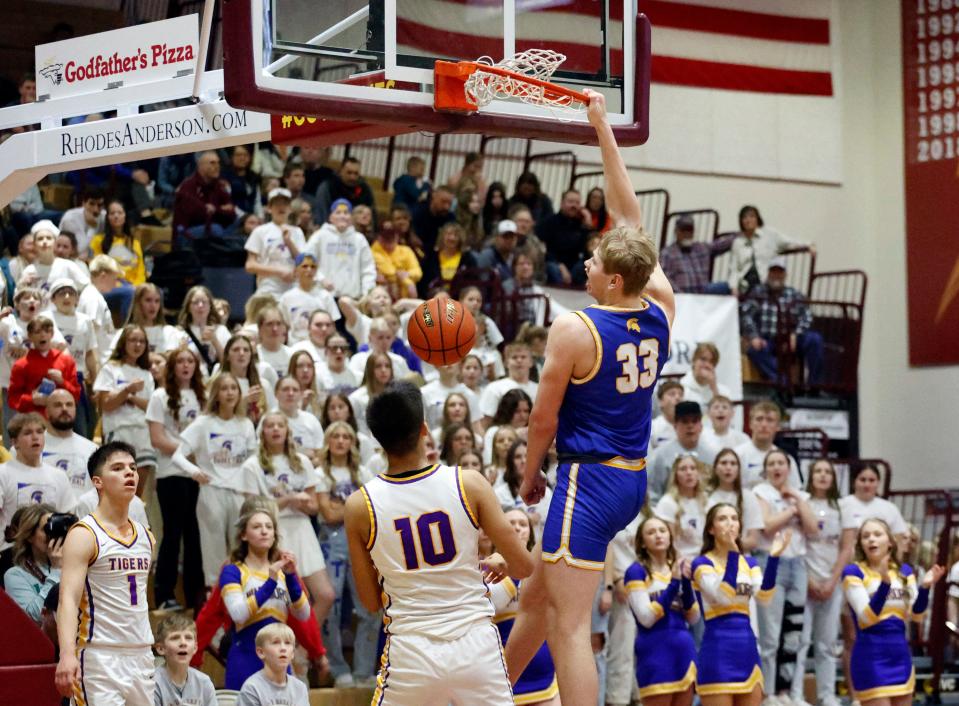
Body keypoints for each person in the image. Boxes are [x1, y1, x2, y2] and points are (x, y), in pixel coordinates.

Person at [505, 91, 675, 705]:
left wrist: (528, 478)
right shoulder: (661, 307)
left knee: (570, 628)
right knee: (539, 598)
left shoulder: (576, 327)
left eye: (595, 258)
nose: (587, 259)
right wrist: (602, 126)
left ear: (612, 279)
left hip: (588, 481)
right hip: (628, 481)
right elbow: (629, 217)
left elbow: (543, 418)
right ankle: (489, 694)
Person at [343, 382, 534, 704]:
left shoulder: (359, 505)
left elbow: (371, 602)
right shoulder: (468, 482)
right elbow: (524, 566)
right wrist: (502, 559)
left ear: (377, 440)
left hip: (411, 651)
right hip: (477, 646)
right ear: (424, 430)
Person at [55, 441, 156, 705]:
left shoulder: (146, 536)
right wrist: (67, 654)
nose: (130, 473)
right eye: (118, 468)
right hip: (100, 654)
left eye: (133, 468)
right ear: (98, 481)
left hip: (142, 652)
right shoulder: (84, 534)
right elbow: (67, 599)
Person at [245, 412, 335, 633]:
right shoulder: (252, 465)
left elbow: (314, 506)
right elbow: (251, 510)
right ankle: (287, 651)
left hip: (303, 529)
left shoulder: (302, 461)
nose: (276, 430)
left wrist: (303, 503)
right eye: (270, 426)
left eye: (280, 425)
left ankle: (303, 653)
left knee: (325, 594)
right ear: (262, 432)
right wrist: (289, 499)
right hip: (275, 531)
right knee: (284, 598)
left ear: (287, 431)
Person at [693, 503, 789, 706]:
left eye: (734, 518)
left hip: (747, 648)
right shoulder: (702, 564)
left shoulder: (750, 563)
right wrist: (733, 556)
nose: (730, 523)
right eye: (722, 519)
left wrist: (773, 559)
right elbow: (723, 596)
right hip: (718, 648)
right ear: (711, 529)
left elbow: (764, 597)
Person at [841, 519, 943, 706]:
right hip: (871, 656)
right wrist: (885, 585)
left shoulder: (904, 571)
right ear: (861, 545)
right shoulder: (853, 572)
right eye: (866, 536)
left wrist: (925, 588)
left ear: (890, 542)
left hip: (900, 656)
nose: (871, 539)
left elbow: (916, 615)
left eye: (877, 534)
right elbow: (866, 618)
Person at [173, 373, 259, 586]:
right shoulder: (203, 423)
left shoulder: (246, 424)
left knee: (241, 553)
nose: (230, 393)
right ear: (216, 394)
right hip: (212, 492)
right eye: (224, 388)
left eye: (234, 388)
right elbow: (177, 455)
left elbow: (253, 460)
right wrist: (194, 471)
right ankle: (216, 599)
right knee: (214, 554)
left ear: (240, 394)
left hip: (239, 494)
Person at [313, 420, 379, 686]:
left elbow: (372, 509)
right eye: (335, 436)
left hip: (361, 541)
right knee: (332, 604)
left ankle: (363, 671)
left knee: (370, 606)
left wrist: (343, 509)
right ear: (328, 441)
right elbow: (328, 514)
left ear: (353, 442)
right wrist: (354, 507)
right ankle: (339, 669)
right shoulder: (319, 473)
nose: (341, 440)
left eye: (346, 436)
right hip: (331, 541)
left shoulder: (362, 471)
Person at [219, 502, 311, 690]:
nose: (264, 531)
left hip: (279, 662)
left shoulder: (283, 571)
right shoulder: (233, 571)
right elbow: (238, 613)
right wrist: (270, 583)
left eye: (269, 527)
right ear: (244, 535)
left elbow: (304, 614)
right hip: (245, 658)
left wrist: (292, 576)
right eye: (257, 527)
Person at [753, 449, 819, 701]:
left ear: (789, 468)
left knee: (793, 633)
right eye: (772, 463)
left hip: (798, 565)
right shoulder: (761, 492)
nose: (777, 467)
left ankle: (785, 690)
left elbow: (812, 529)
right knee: (771, 634)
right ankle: (768, 691)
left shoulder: (800, 495)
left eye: (781, 463)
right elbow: (767, 526)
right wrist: (792, 512)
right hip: (772, 563)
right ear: (766, 469)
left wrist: (798, 503)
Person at [146, 348, 206, 611]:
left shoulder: (203, 397)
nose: (185, 366)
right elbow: (157, 439)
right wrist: (187, 454)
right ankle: (164, 593)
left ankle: (196, 593)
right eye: (180, 361)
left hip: (198, 474)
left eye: (190, 361)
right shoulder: (160, 396)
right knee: (173, 532)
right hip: (171, 472)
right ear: (172, 367)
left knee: (195, 534)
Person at [488, 508, 560, 706]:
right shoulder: (484, 568)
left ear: (530, 532)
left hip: (546, 677)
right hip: (499, 675)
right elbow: (488, 604)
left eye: (522, 524)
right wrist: (516, 570)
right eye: (510, 523)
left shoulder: (545, 570)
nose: (517, 528)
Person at [624, 516, 699, 706]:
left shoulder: (677, 567)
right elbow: (646, 618)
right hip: (655, 650)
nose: (658, 535)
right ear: (642, 543)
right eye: (651, 532)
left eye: (662, 530)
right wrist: (674, 583)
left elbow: (694, 617)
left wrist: (687, 583)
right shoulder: (635, 572)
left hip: (683, 649)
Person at [792, 459, 845, 706]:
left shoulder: (842, 507)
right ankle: (796, 694)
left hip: (832, 582)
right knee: (801, 641)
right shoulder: (802, 503)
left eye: (828, 472)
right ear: (810, 476)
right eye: (818, 471)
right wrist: (809, 579)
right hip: (805, 580)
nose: (823, 476)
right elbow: (797, 543)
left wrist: (833, 580)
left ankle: (827, 694)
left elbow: (847, 547)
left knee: (827, 642)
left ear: (834, 478)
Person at [740, 257, 824, 386]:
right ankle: (784, 382)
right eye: (773, 272)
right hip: (767, 339)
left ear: (785, 275)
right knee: (755, 350)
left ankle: (815, 385)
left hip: (790, 338)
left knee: (815, 339)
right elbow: (746, 315)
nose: (776, 276)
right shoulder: (758, 292)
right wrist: (754, 336)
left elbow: (807, 316)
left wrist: (796, 334)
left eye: (779, 272)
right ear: (768, 274)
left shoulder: (794, 294)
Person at [94, 325, 156, 492]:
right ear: (123, 343)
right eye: (133, 340)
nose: (137, 345)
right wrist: (127, 390)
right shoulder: (110, 369)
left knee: (137, 493)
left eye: (142, 341)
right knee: (118, 489)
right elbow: (106, 405)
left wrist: (129, 397)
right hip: (119, 431)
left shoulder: (146, 374)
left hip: (143, 434)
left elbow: (151, 407)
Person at [0, 413, 76, 541]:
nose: (35, 437)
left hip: (49, 551)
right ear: (14, 442)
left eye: (40, 432)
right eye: (28, 433)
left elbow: (68, 516)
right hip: (10, 550)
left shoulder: (58, 476)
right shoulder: (3, 473)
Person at [728, 205, 814, 296]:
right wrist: (733, 287)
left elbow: (789, 242)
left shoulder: (769, 235)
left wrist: (809, 244)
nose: (748, 220)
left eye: (752, 216)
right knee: (714, 289)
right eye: (744, 217)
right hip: (743, 284)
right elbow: (733, 269)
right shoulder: (738, 242)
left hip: (763, 284)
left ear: (758, 219)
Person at [647, 401, 720, 504]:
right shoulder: (661, 456)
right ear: (675, 426)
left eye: (694, 421)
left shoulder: (712, 456)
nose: (690, 426)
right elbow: (653, 494)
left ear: (701, 426)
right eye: (685, 421)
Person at [8, 314, 81, 415]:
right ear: (30, 336)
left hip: (61, 420)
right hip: (34, 421)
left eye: (47, 331)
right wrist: (31, 400)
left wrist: (62, 382)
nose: (42, 335)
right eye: (37, 332)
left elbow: (76, 395)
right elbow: (13, 399)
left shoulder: (67, 361)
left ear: (52, 334)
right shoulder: (21, 365)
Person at [305, 199, 377, 300]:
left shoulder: (359, 239)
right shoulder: (320, 236)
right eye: (338, 213)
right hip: (324, 297)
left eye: (346, 213)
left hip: (352, 299)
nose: (342, 216)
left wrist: (367, 294)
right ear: (331, 217)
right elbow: (306, 260)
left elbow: (368, 268)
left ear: (351, 218)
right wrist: (320, 279)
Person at [4, 502, 61, 624]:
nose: (53, 535)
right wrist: (56, 570)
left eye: (55, 528)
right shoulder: (15, 575)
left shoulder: (73, 566)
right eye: (47, 529)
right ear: (29, 536)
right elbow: (34, 618)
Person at [245, 187, 306, 298]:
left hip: (293, 289)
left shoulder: (297, 232)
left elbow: (303, 262)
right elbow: (250, 265)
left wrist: (289, 242)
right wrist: (278, 271)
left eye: (285, 204)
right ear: (269, 208)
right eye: (277, 204)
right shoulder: (260, 231)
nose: (281, 207)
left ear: (290, 208)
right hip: (268, 290)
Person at [172, 151, 237, 248]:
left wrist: (214, 209)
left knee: (241, 223)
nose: (217, 166)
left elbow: (232, 213)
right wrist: (220, 210)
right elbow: (197, 215)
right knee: (216, 229)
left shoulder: (219, 186)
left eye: (218, 163)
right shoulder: (188, 186)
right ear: (200, 166)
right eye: (212, 163)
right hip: (185, 234)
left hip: (212, 229)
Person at [237, 623, 310, 706]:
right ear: (261, 652)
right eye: (276, 642)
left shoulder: (300, 688)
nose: (283, 648)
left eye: (287, 643)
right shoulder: (252, 688)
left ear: (293, 653)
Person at [706, 448, 763, 553]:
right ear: (715, 468)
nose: (728, 468)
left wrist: (730, 546)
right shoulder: (706, 497)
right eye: (723, 463)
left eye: (733, 464)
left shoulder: (748, 497)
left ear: (739, 469)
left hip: (742, 558)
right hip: (713, 557)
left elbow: (753, 540)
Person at [653, 454, 710, 560]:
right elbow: (668, 544)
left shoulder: (706, 500)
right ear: (675, 475)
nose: (689, 473)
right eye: (683, 469)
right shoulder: (667, 503)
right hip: (680, 560)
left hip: (706, 558)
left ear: (698, 473)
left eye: (693, 468)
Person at [42, 388, 98, 494]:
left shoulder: (92, 450)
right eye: (58, 405)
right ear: (47, 412)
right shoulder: (31, 448)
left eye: (69, 404)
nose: (64, 409)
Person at [735, 400, 802, 489]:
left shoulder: (787, 459)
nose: (764, 425)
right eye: (759, 419)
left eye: (770, 420)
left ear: (778, 426)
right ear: (750, 424)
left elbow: (796, 492)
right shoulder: (737, 455)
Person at [154, 614, 217, 706]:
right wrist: (133, 599)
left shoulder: (204, 682)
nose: (183, 643)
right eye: (175, 638)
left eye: (188, 638)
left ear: (195, 648)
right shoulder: (152, 684)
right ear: (160, 648)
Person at [659, 215, 731, 294]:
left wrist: (742, 235)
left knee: (727, 287)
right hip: (681, 295)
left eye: (690, 230)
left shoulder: (700, 248)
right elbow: (663, 278)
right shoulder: (667, 253)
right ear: (676, 231)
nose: (687, 234)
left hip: (703, 292)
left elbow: (721, 245)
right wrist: (679, 293)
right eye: (683, 230)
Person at [279, 254, 340, 344]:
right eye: (304, 266)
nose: (309, 270)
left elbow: (333, 326)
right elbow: (284, 326)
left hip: (321, 346)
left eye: (313, 267)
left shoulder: (325, 296)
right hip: (295, 346)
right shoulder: (286, 298)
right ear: (296, 270)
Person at [89, 200, 147, 291]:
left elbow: (141, 271)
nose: (116, 216)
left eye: (120, 213)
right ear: (107, 217)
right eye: (112, 213)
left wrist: (137, 286)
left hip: (133, 286)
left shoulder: (135, 243)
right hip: (111, 285)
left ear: (125, 216)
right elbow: (97, 268)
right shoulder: (97, 241)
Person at [536, 189, 590, 286]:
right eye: (570, 202)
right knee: (553, 269)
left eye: (577, 203)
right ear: (562, 203)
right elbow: (542, 248)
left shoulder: (581, 225)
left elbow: (587, 251)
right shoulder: (549, 221)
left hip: (573, 267)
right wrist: (560, 266)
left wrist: (588, 224)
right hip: (553, 263)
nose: (574, 206)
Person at [479, 342, 538, 429]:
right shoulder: (494, 388)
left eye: (523, 357)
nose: (519, 360)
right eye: (514, 357)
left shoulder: (540, 389)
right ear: (506, 363)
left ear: (531, 362)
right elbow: (485, 423)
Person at [178, 285, 232, 375]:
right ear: (188, 307)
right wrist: (181, 351)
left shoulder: (221, 330)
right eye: (195, 302)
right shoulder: (179, 333)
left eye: (204, 302)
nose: (200, 305)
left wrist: (215, 341)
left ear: (210, 305)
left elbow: (229, 363)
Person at [79, 255, 120, 367]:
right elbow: (91, 334)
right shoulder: (93, 298)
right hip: (99, 363)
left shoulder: (93, 295)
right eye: (114, 279)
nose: (116, 284)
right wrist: (95, 367)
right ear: (103, 276)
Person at [125, 283, 185, 355]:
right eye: (148, 300)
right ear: (138, 303)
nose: (153, 305)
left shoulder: (169, 332)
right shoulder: (125, 333)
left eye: (157, 301)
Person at [371, 222, 422, 299]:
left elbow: (418, 272)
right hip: (383, 294)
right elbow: (390, 272)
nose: (389, 242)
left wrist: (407, 274)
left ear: (397, 237)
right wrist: (407, 281)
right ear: (379, 238)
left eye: (392, 238)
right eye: (386, 238)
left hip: (406, 294)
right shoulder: (373, 252)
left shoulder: (406, 250)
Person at [679, 343, 731, 408]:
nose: (707, 365)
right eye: (703, 359)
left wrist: (714, 389)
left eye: (711, 362)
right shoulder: (680, 389)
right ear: (694, 360)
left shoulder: (724, 392)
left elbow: (724, 415)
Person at [58, 187, 105, 256]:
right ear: (84, 203)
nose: (95, 210)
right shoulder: (70, 219)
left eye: (99, 205)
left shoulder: (104, 215)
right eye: (92, 204)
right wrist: (92, 227)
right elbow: (79, 250)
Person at [475, 219, 519, 290]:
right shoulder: (487, 255)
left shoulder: (518, 256)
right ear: (497, 238)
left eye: (512, 237)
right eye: (505, 237)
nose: (509, 240)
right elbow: (483, 283)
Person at [411, 185, 455, 253]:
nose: (446, 207)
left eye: (449, 204)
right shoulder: (418, 212)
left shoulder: (450, 218)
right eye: (443, 202)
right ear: (433, 196)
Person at [650, 380, 684, 451]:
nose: (678, 398)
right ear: (660, 401)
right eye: (672, 394)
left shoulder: (691, 426)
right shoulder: (652, 428)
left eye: (681, 395)